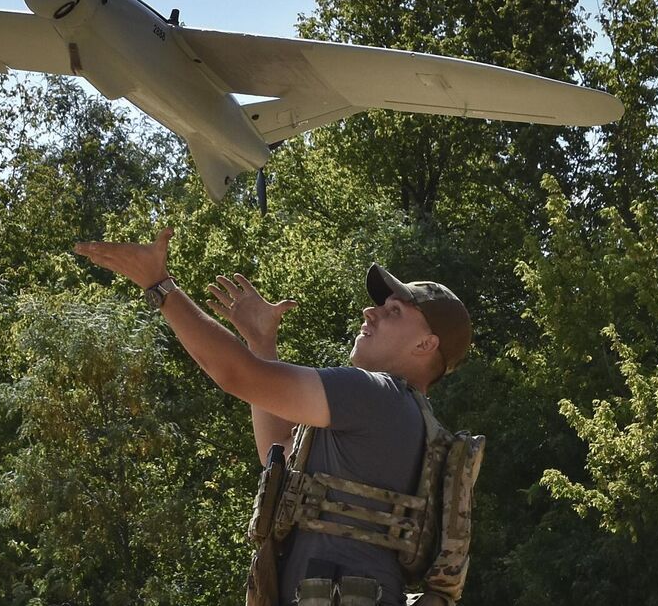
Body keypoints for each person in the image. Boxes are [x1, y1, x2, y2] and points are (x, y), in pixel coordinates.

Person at [74, 228, 472, 606]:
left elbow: (236, 374)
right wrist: (262, 342)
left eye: (394, 311)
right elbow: (278, 456)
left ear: (426, 343)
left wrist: (159, 285)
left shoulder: (375, 394)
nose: (372, 312)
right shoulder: (409, 418)